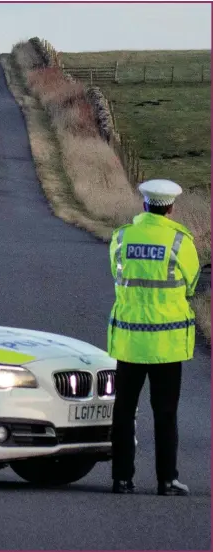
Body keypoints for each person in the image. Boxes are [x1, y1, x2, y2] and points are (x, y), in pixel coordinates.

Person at [107, 179, 200, 496]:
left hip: (129, 341)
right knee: (165, 412)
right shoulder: (180, 241)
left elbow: (116, 275)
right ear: (171, 208)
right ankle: (166, 479)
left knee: (123, 411)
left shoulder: (121, 237)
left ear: (144, 204)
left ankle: (121, 479)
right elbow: (191, 284)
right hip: (166, 344)